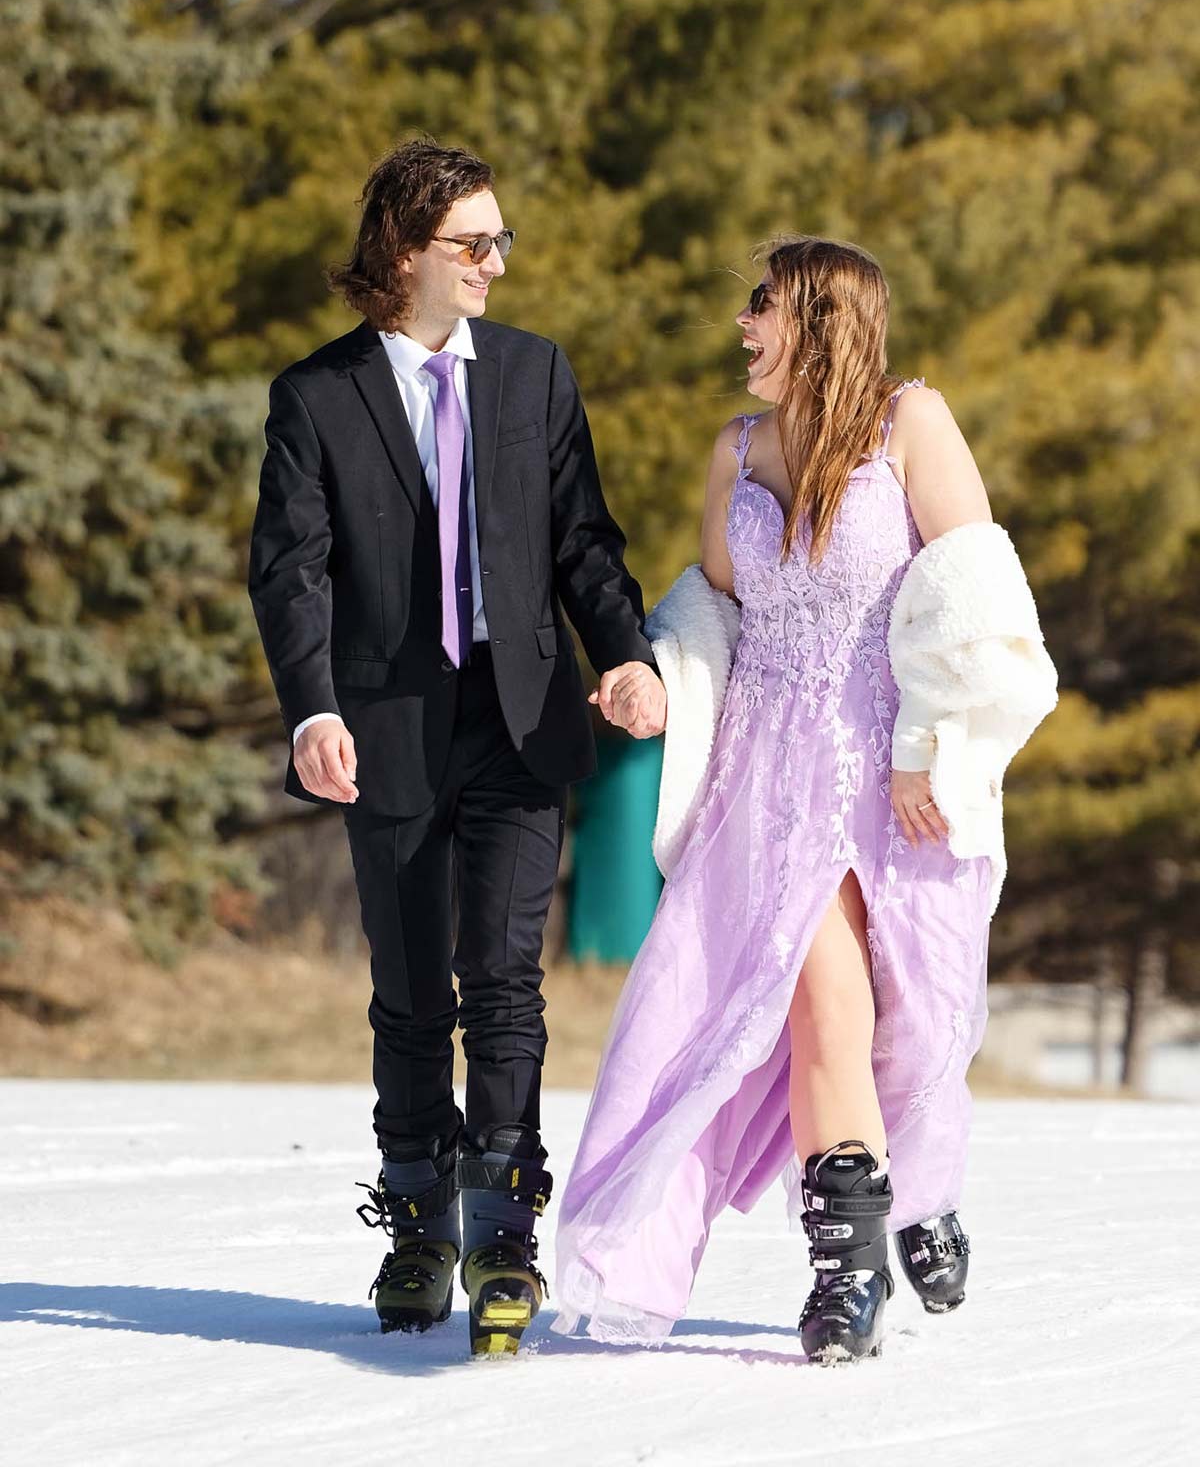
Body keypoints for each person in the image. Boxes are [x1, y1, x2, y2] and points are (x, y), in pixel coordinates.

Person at [554, 235, 1055, 1363]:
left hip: (891, 768)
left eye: (763, 303)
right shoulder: (736, 450)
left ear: (823, 318)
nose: (743, 324)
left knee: (914, 1024)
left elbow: (975, 594)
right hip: (766, 781)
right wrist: (658, 675)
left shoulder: (910, 422)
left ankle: (920, 1191)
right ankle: (848, 1269)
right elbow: (712, 608)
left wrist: (929, 746)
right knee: (818, 1003)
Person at [247, 138, 665, 1358]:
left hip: (519, 717)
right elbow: (290, 572)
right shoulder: (316, 396)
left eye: (499, 239)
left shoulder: (535, 374)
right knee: (409, 992)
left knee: (505, 982)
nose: (495, 262)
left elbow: (584, 541)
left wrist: (625, 653)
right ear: (402, 254)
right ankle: (419, 1227)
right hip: (382, 728)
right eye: (472, 243)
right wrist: (313, 709)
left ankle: (504, 1238)